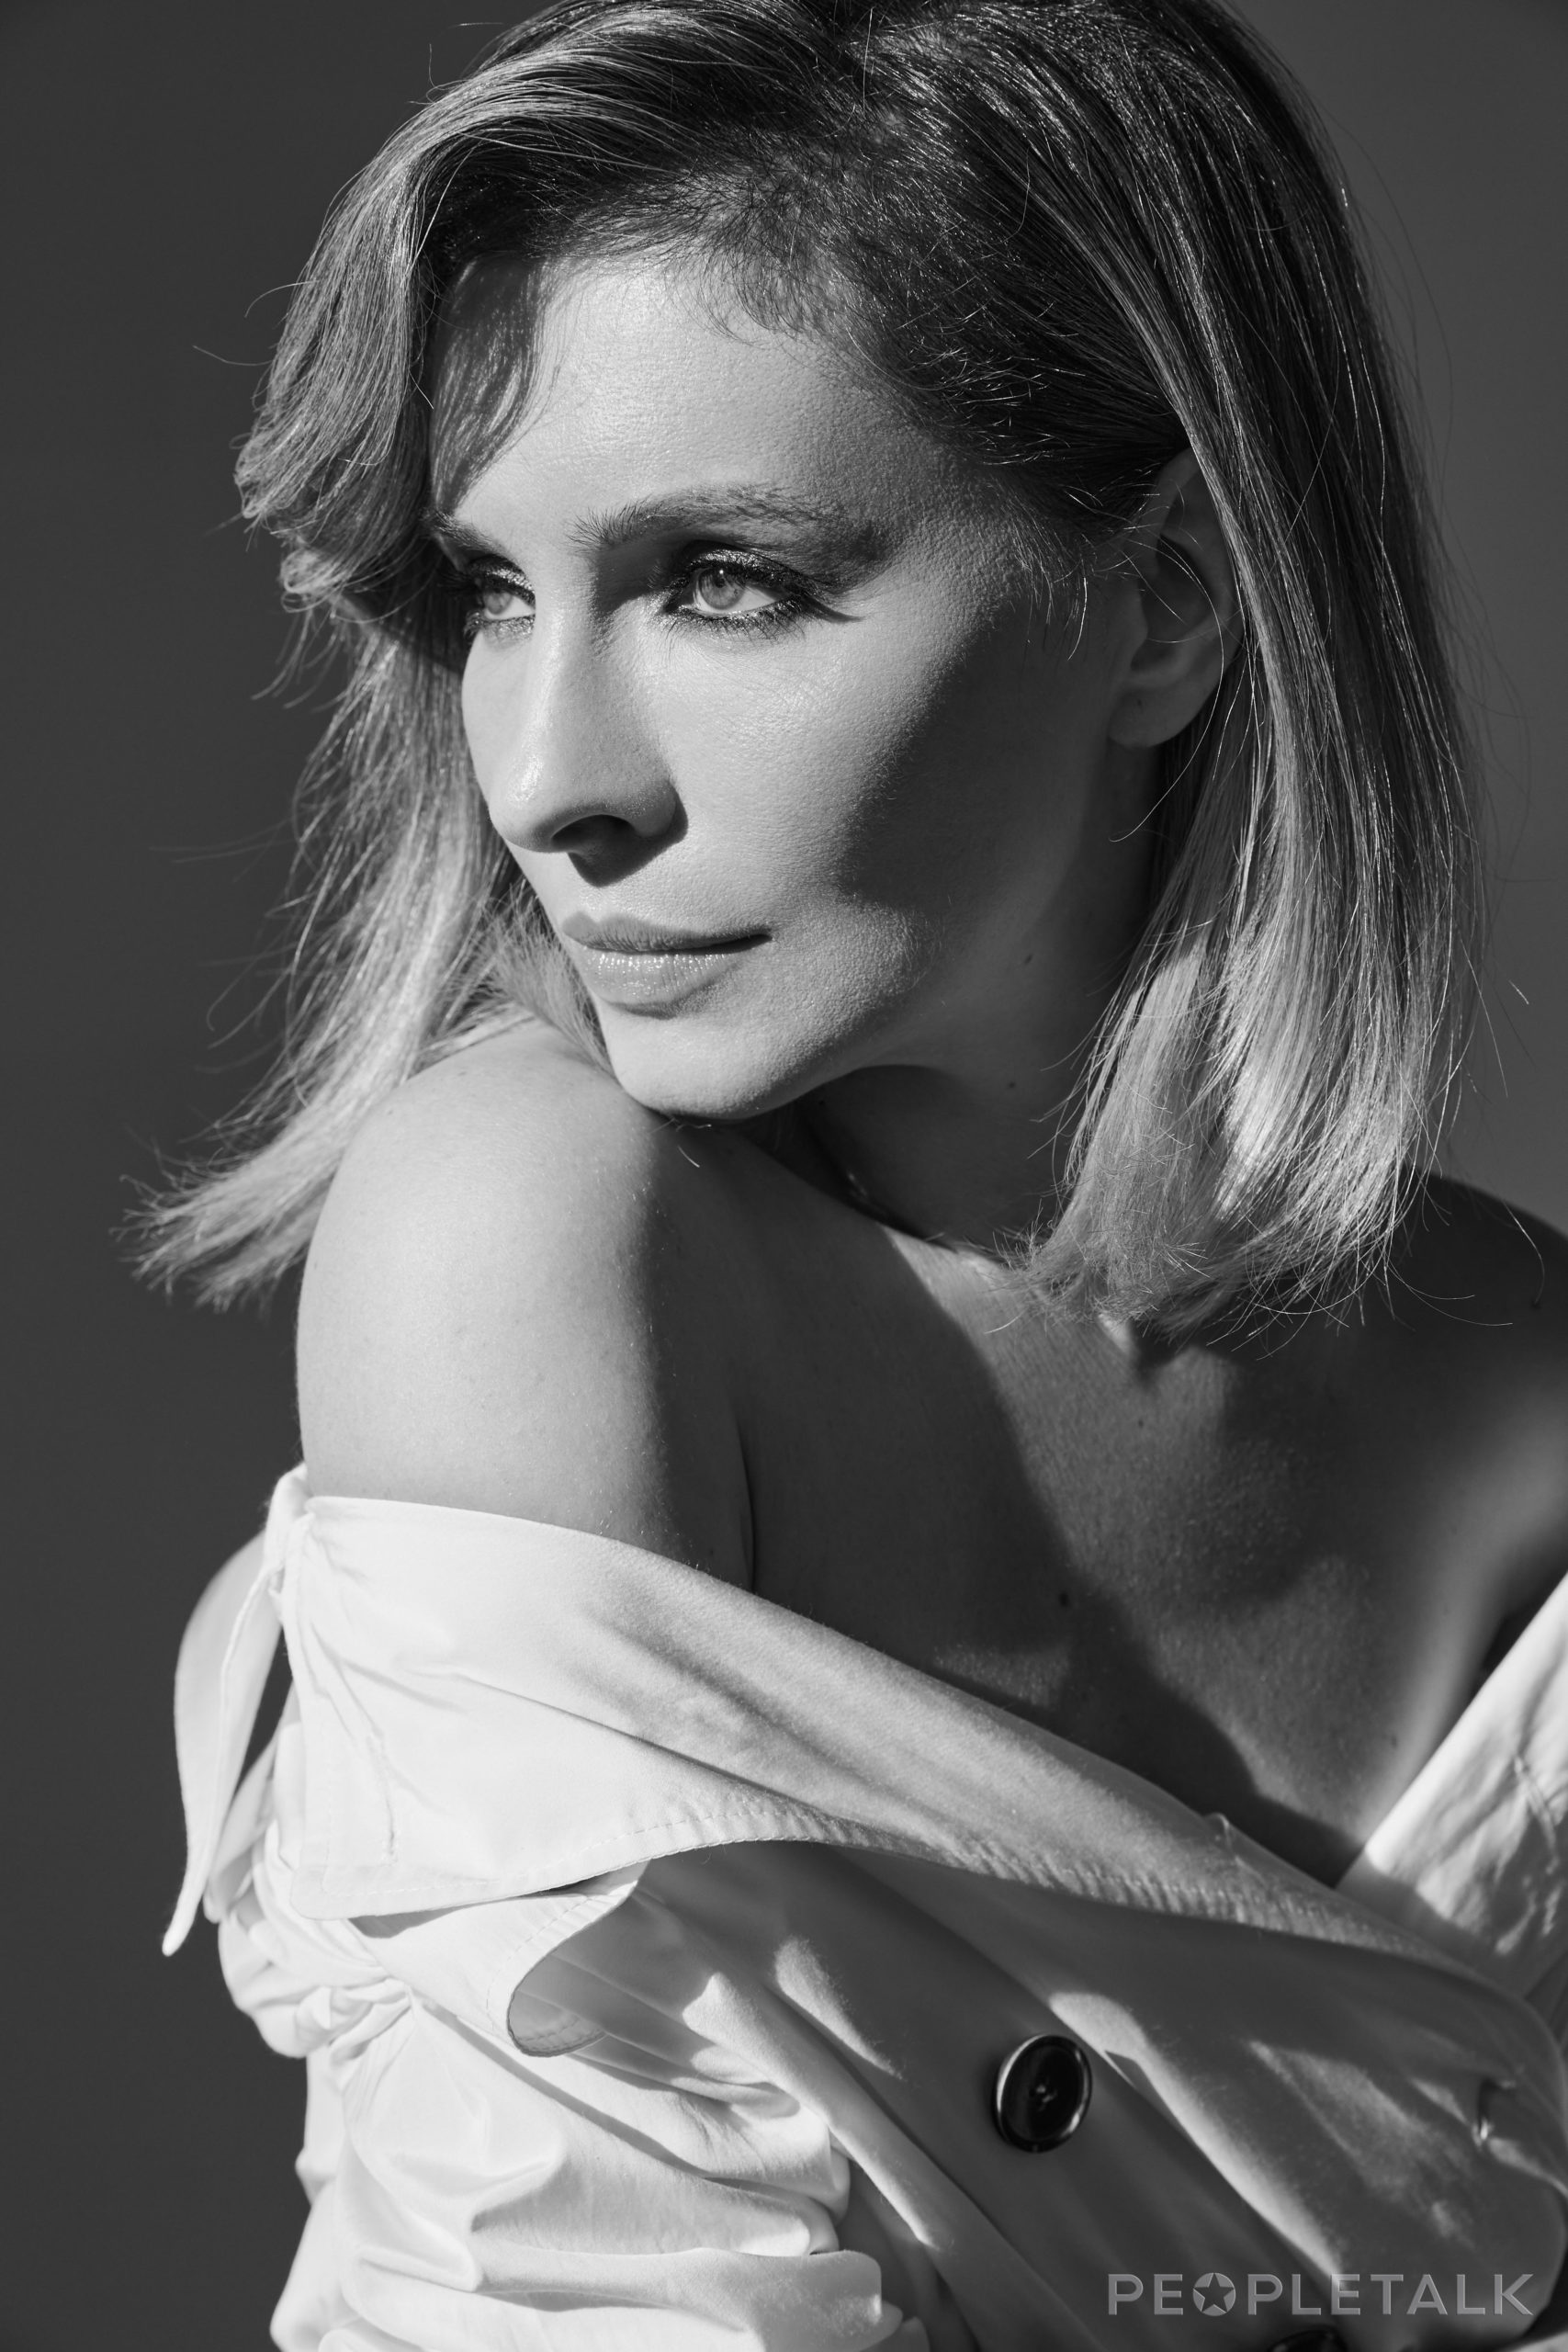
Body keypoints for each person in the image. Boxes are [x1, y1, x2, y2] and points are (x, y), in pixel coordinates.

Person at [152, 0, 1568, 2344]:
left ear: (1169, 598)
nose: (548, 774)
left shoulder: (1522, 1377)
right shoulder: (545, 1236)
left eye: (722, 578)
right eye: (489, 590)